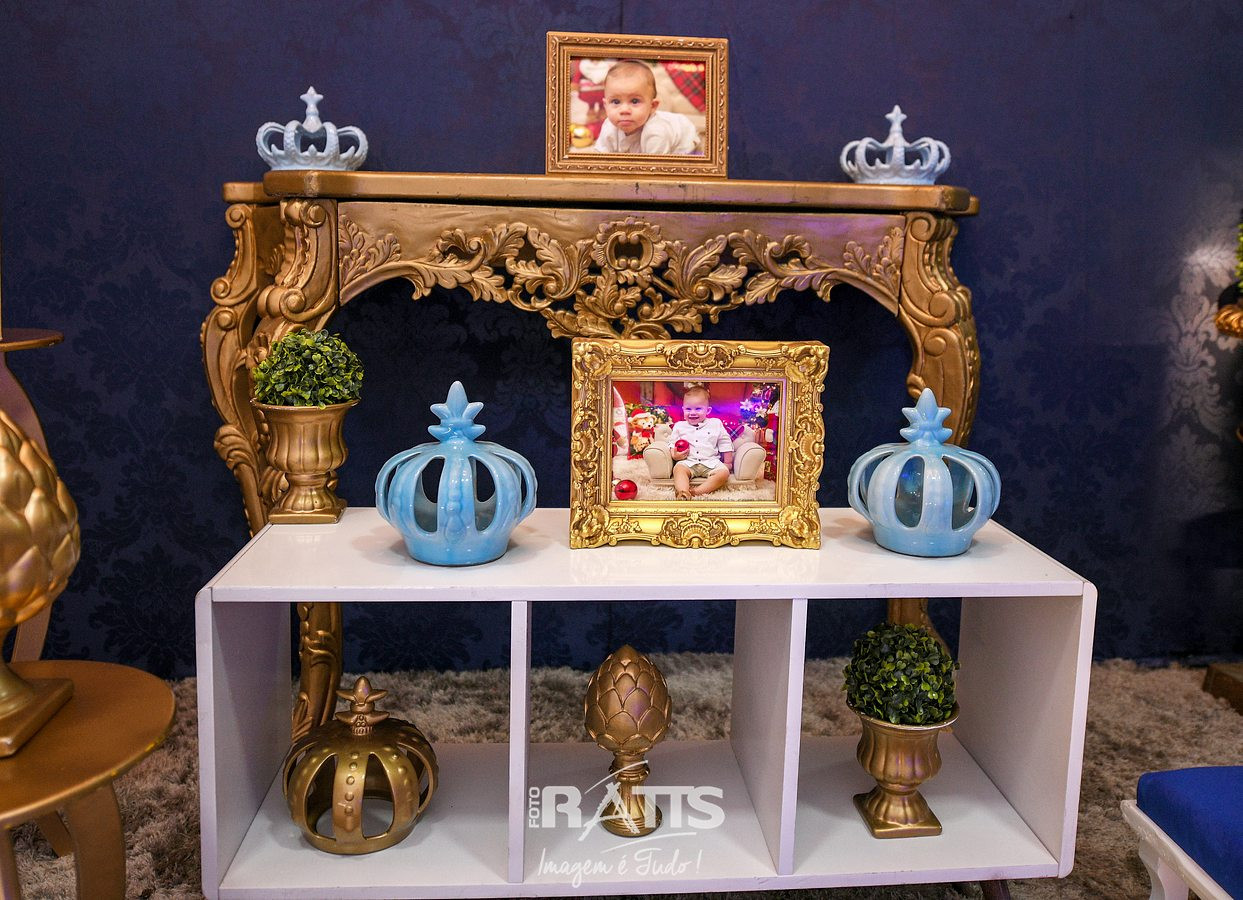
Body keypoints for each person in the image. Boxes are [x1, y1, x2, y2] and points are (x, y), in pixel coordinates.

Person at [591, 60, 701, 155]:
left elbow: (654, 169)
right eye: (615, 101)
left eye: (634, 101)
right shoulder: (609, 126)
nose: (624, 110)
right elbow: (601, 156)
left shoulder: (656, 132)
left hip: (683, 139)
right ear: (605, 106)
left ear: (652, 106)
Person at [669, 384, 733, 500]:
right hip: (688, 462)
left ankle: (696, 492)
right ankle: (683, 492)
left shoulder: (715, 423)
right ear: (683, 409)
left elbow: (725, 441)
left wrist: (728, 462)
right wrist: (675, 455)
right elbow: (672, 443)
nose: (692, 412)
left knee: (724, 473)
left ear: (708, 410)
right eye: (688, 409)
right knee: (678, 470)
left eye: (698, 409)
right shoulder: (679, 426)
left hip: (711, 462)